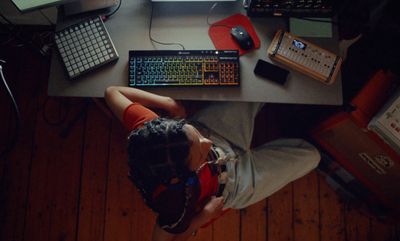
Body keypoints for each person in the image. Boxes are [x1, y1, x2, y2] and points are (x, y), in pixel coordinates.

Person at [104, 86, 321, 241]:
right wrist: (203, 218)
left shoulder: (153, 132)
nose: (207, 144)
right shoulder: (171, 201)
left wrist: (167, 103)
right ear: (179, 177)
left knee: (260, 85)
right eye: (200, 154)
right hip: (232, 187)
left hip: (218, 129)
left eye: (195, 135)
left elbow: (112, 92)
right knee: (312, 156)